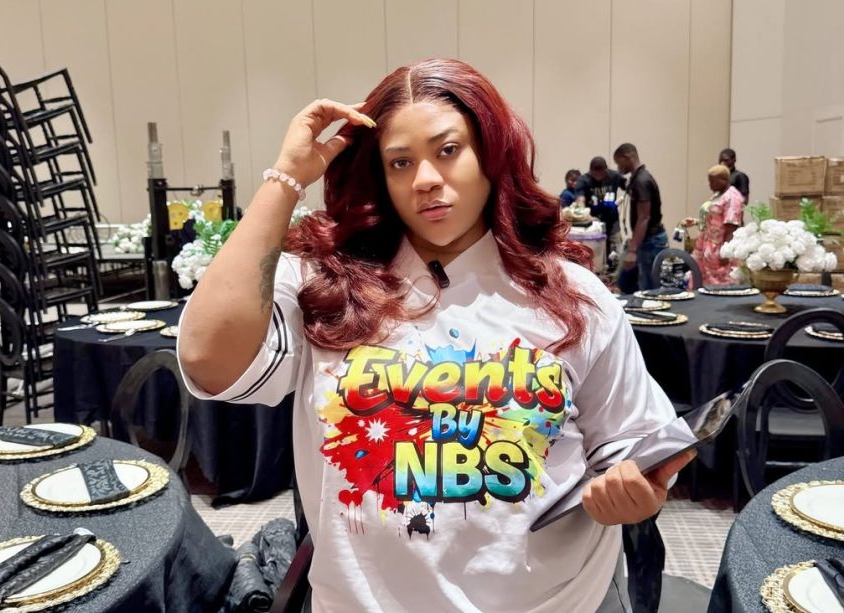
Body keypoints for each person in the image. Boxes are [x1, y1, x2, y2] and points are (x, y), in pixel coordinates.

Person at [178, 59, 691, 613]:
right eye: (400, 162)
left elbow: (634, 445)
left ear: (491, 156)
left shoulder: (570, 294)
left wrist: (635, 494)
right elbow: (208, 359)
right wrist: (285, 178)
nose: (424, 179)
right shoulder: (325, 287)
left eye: (448, 150)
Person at [614, 143, 667, 291]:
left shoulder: (641, 181)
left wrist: (632, 250)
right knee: (636, 284)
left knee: (649, 290)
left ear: (627, 157)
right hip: (647, 239)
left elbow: (644, 217)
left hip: (651, 241)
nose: (618, 167)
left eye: (619, 162)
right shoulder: (639, 178)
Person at [683, 165, 745, 285]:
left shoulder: (732, 198)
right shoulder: (718, 194)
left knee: (718, 283)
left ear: (723, 180)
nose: (709, 185)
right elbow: (715, 220)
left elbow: (731, 228)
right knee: (700, 281)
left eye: (712, 181)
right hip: (706, 246)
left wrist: (725, 253)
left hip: (720, 248)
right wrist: (697, 222)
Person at [574, 157, 626, 264]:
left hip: (612, 218)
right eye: (595, 174)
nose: (598, 177)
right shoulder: (584, 180)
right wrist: (587, 216)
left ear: (606, 170)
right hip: (594, 220)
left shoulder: (614, 176)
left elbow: (629, 187)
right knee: (597, 248)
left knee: (617, 246)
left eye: (600, 174)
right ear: (590, 171)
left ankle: (617, 268)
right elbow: (580, 201)